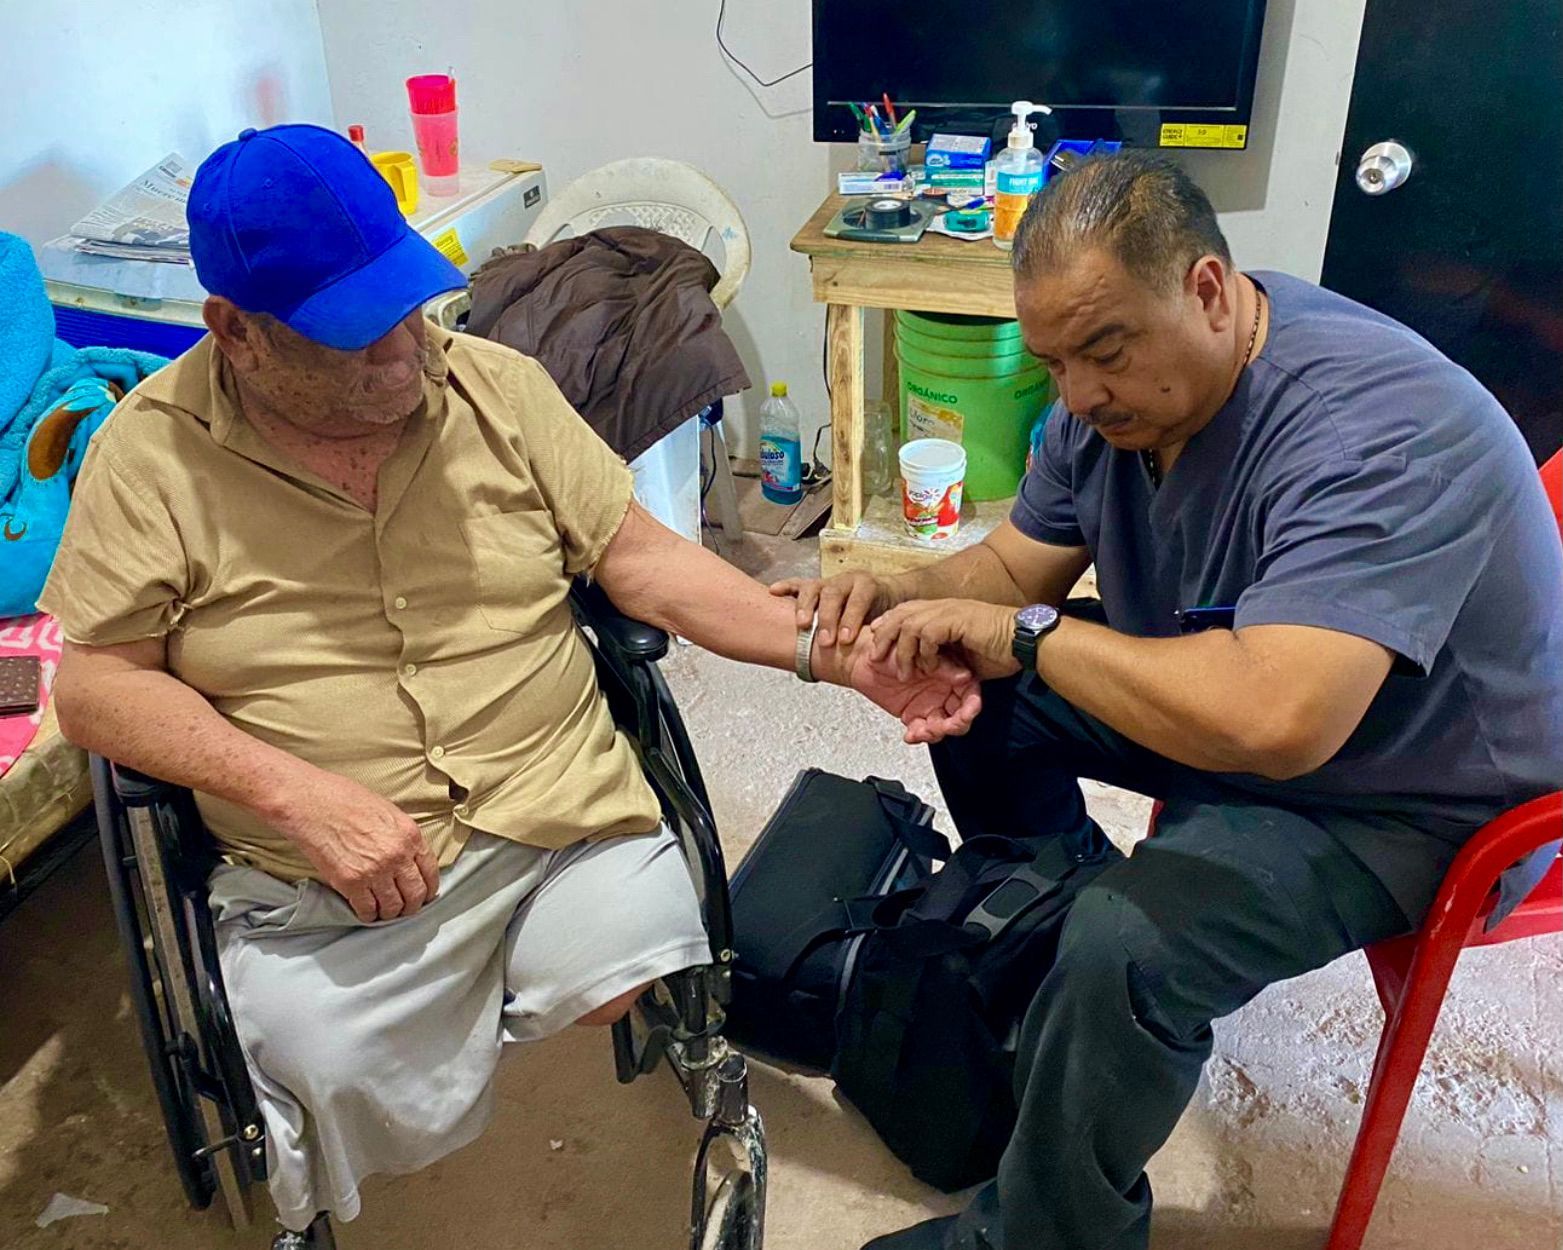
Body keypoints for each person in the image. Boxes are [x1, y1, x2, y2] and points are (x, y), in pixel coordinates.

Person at [40, 124, 980, 1247]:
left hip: (555, 804)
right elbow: (95, 689)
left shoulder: (493, 386)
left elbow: (645, 564)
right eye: (356, 336)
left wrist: (834, 656)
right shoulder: (150, 457)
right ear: (235, 334)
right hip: (328, 882)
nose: (409, 350)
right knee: (320, 1066)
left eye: (409, 304)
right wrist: (295, 794)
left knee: (641, 947)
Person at [774, 151, 1563, 1250]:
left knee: (1127, 942)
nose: (1080, 396)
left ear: (1205, 288)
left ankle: (1047, 1229)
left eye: (1104, 350)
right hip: (1232, 677)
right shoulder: (1110, 406)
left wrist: (1025, 637)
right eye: (1054, 364)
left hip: (1411, 792)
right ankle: (1062, 979)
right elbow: (1010, 578)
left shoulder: (1382, 428)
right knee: (983, 685)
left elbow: (1277, 723)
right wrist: (904, 595)